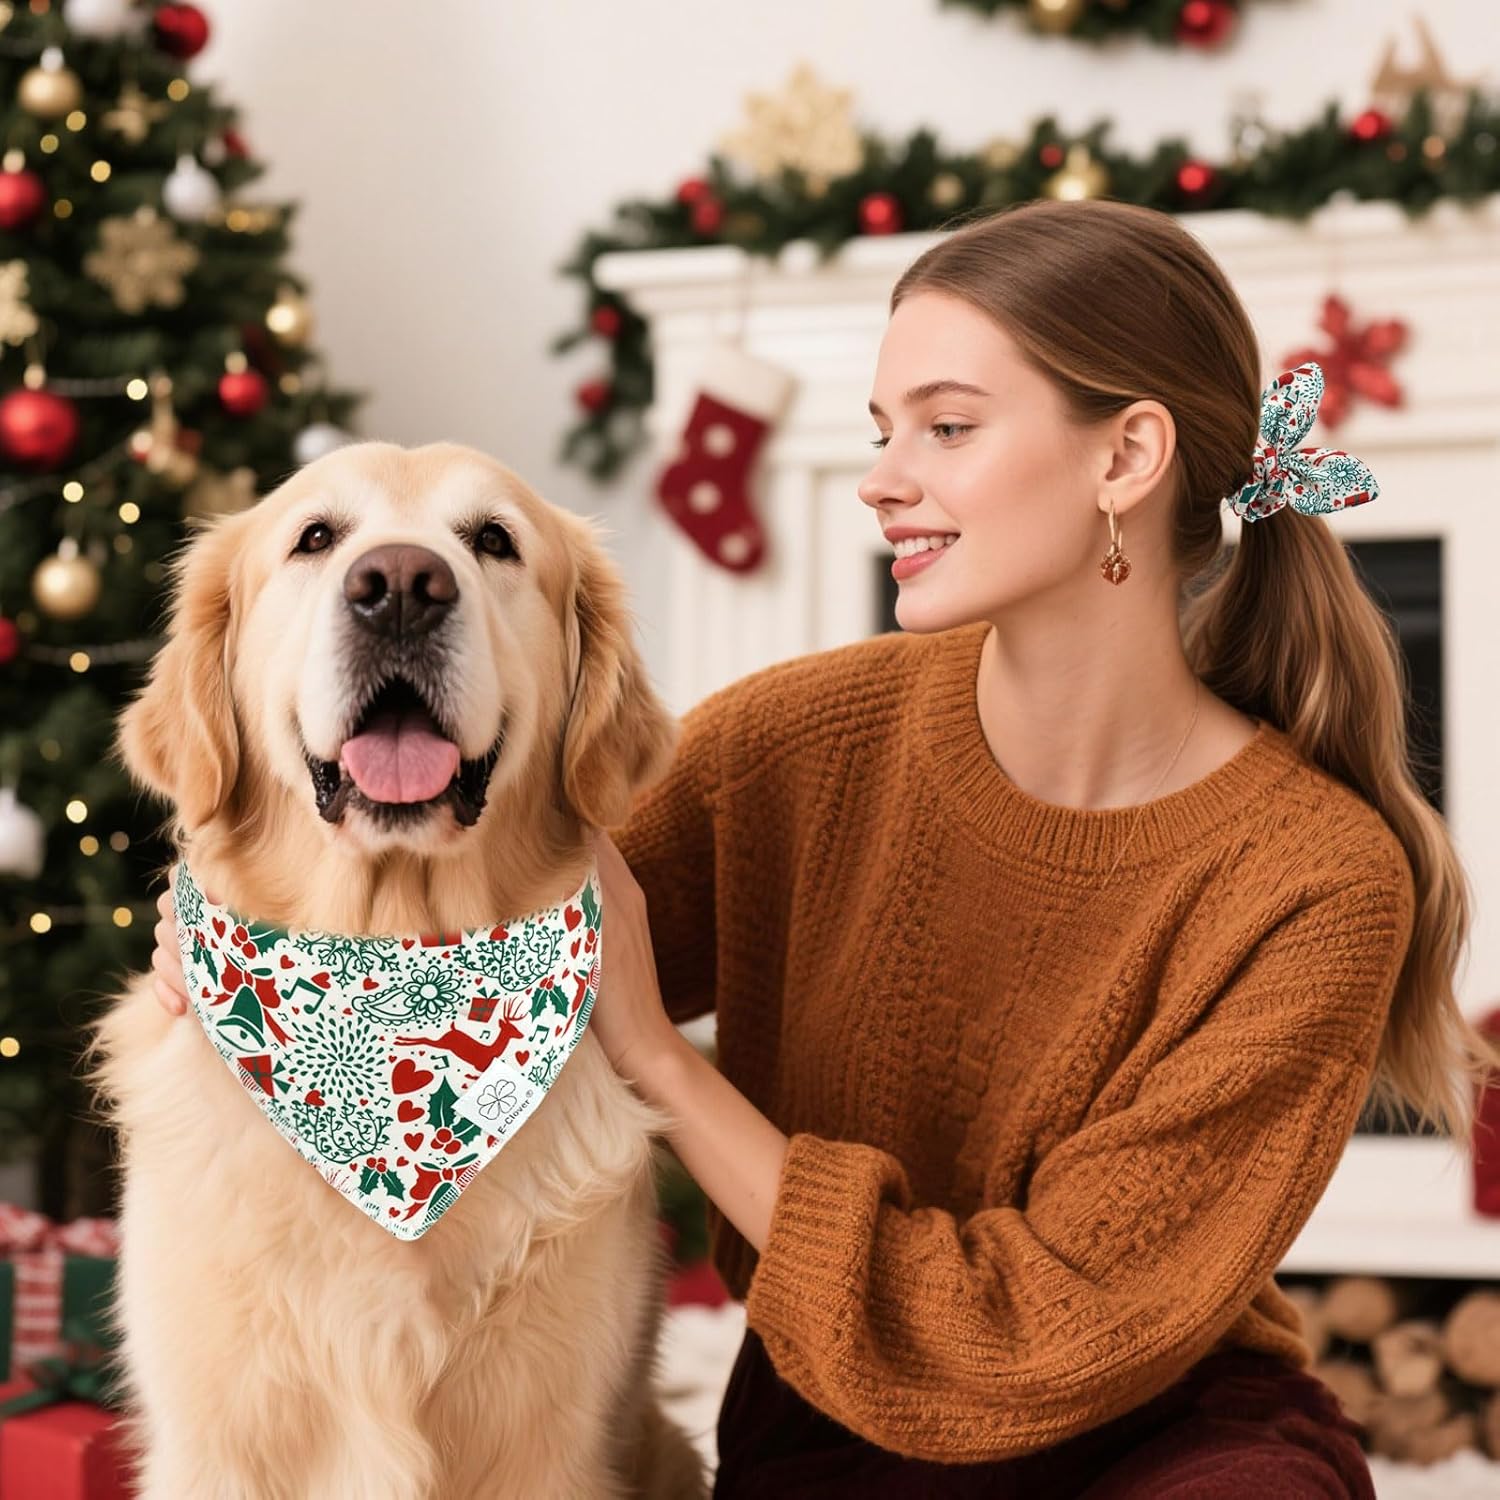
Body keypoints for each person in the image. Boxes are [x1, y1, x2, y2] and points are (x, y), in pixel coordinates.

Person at [148, 198, 1498, 1497]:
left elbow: (1036, 1344)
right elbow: (466, 951)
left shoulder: (1316, 880)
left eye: (948, 428)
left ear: (1125, 460)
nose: (882, 482)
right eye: (879, 431)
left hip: (1169, 1443)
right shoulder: (802, 741)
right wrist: (226, 958)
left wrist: (663, 1061)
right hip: (840, 1438)